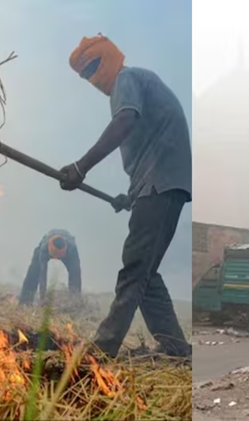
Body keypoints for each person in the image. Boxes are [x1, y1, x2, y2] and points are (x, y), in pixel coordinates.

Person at [59, 34, 191, 358]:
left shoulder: (126, 79)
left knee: (134, 268)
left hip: (159, 186)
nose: (92, 77)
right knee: (146, 271)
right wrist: (130, 197)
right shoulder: (135, 82)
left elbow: (125, 121)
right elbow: (149, 146)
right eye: (85, 74)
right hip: (156, 187)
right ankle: (175, 347)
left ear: (109, 57)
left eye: (93, 67)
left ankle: (103, 348)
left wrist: (81, 166)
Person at [18, 229, 81, 306]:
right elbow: (42, 274)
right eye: (55, 255)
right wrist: (42, 298)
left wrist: (75, 296)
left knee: (75, 275)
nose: (57, 258)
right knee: (33, 272)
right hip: (46, 244)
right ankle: (25, 301)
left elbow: (76, 275)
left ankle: (75, 303)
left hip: (69, 249)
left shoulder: (71, 249)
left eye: (59, 255)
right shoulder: (44, 249)